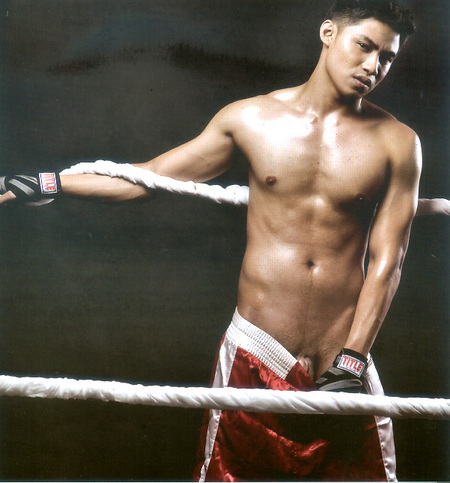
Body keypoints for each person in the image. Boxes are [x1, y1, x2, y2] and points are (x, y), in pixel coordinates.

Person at [0, 1, 446, 481]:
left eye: (387, 57)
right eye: (364, 46)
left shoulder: (398, 142)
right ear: (328, 33)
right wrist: (48, 182)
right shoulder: (250, 119)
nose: (372, 66)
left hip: (344, 357)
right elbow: (149, 177)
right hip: (256, 348)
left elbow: (389, 259)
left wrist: (354, 358)